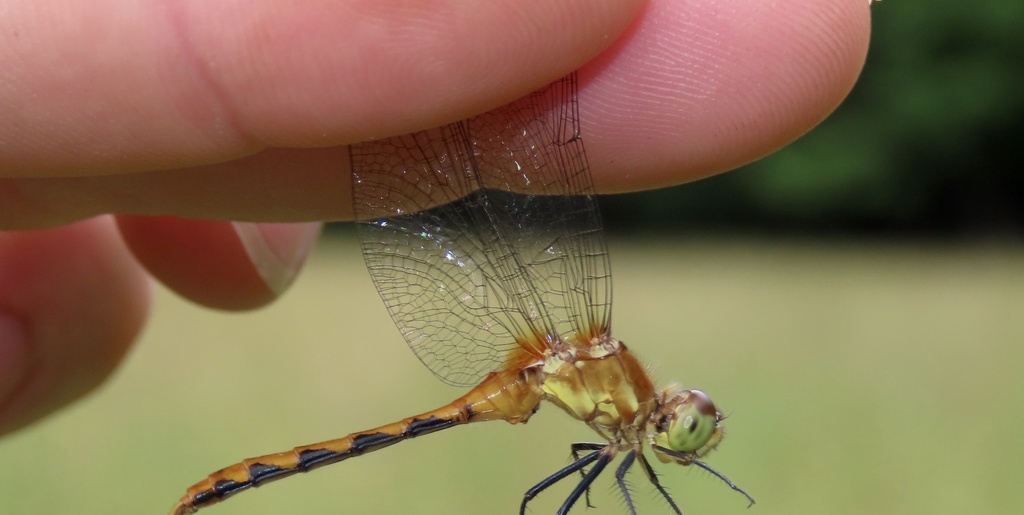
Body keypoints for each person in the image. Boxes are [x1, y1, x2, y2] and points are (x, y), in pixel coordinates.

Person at [0, 0, 873, 436]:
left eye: (686, 420)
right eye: (685, 418)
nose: (682, 420)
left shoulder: (617, 405)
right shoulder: (606, 379)